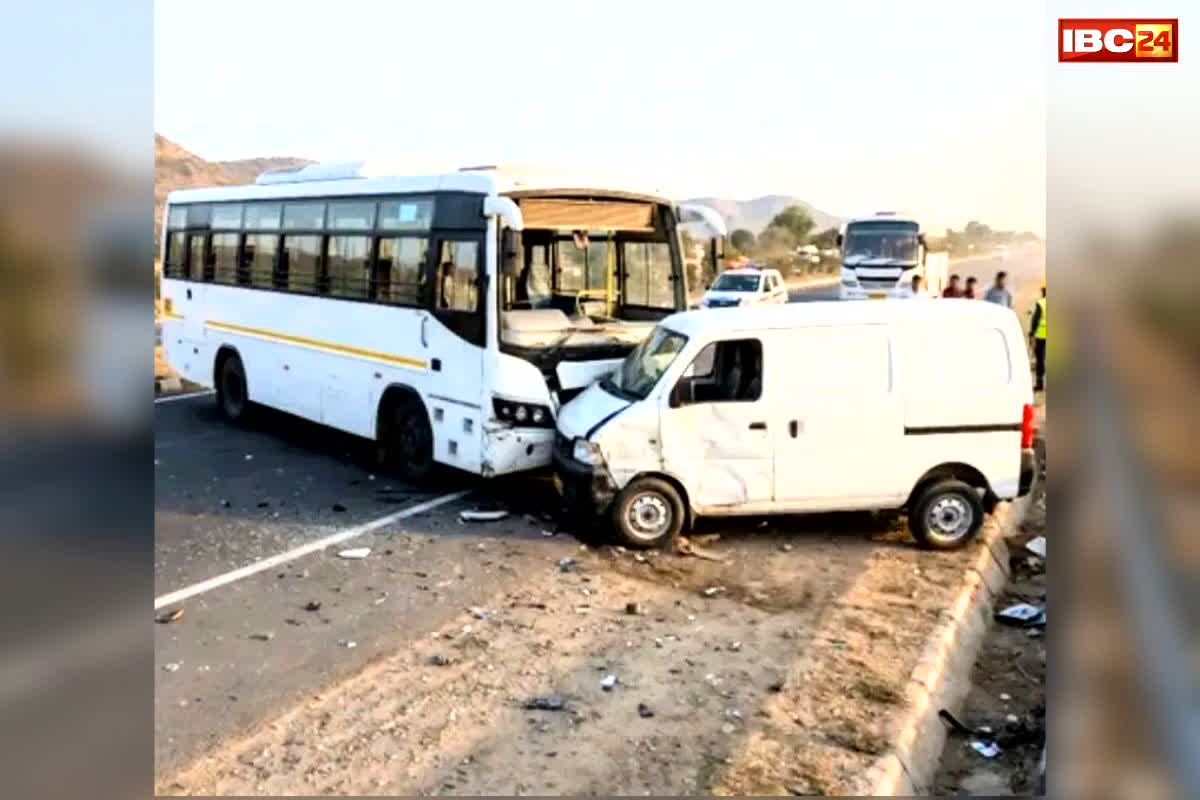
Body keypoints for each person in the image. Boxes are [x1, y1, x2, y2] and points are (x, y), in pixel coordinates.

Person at [1029, 280, 1046, 391]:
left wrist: (1032, 333)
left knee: (1040, 361)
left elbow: (1035, 320)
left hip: (1041, 336)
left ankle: (1040, 384)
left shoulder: (1041, 303)